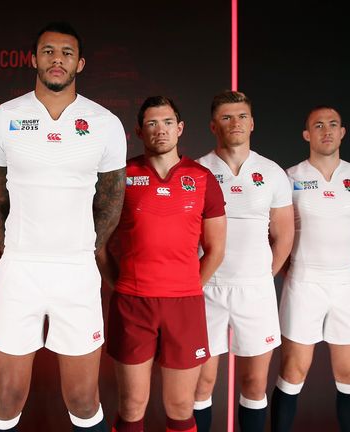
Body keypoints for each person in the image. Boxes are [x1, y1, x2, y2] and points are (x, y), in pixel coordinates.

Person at [0, 22, 127, 432]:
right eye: (47, 51)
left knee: (82, 398)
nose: (56, 59)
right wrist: (14, 245)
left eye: (65, 52)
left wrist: (86, 247)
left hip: (77, 269)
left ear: (79, 63)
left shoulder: (104, 122)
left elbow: (112, 200)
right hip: (20, 267)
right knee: (6, 396)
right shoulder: (4, 118)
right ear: (33, 59)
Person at [101, 97, 227, 432]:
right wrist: (120, 284)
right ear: (139, 131)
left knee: (182, 406)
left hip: (184, 305)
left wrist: (187, 285)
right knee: (131, 406)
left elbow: (215, 249)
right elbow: (97, 242)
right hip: (132, 302)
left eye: (168, 122)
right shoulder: (122, 176)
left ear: (180, 128)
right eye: (153, 124)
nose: (161, 130)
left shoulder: (202, 178)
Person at [271, 106, 350, 432]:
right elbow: (275, 235)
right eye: (318, 125)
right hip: (303, 284)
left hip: (346, 286)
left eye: (333, 124)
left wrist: (344, 272)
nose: (327, 130)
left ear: (342, 132)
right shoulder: (289, 178)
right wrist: (298, 271)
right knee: (293, 372)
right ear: (307, 134)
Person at [194, 91, 294, 432]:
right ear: (212, 125)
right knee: (202, 384)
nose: (234, 123)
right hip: (207, 290)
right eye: (226, 117)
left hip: (255, 291)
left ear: (251, 123)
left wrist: (262, 276)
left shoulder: (272, 173)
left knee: (254, 384)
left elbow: (283, 236)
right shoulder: (196, 171)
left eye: (241, 116)